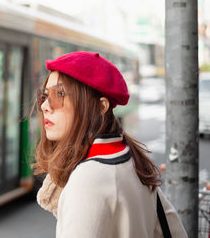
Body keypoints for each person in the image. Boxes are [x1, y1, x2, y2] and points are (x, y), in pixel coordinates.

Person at [33, 52, 187, 238]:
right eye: (45, 95)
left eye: (60, 94)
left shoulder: (87, 181)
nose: (45, 106)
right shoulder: (135, 162)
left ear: (100, 107)